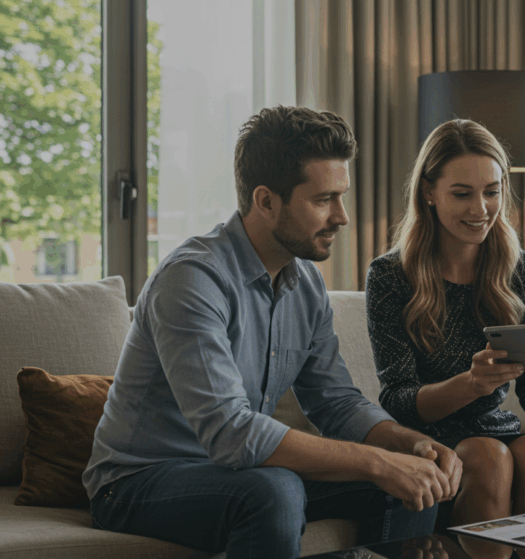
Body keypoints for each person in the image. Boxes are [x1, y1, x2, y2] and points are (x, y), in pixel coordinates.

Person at [83, 106, 463, 559]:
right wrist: (378, 461)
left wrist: (411, 445)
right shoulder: (191, 280)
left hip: (240, 473)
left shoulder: (305, 284)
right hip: (137, 482)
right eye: (324, 200)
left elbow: (336, 402)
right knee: (273, 489)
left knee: (414, 479)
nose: (342, 216)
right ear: (265, 201)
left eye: (341, 196)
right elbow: (231, 434)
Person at [365, 120, 525, 548]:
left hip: (493, 430)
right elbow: (399, 401)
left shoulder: (521, 269)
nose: (480, 208)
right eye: (462, 193)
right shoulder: (391, 275)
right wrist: (471, 384)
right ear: (429, 192)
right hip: (425, 439)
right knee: (488, 456)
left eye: (492, 191)